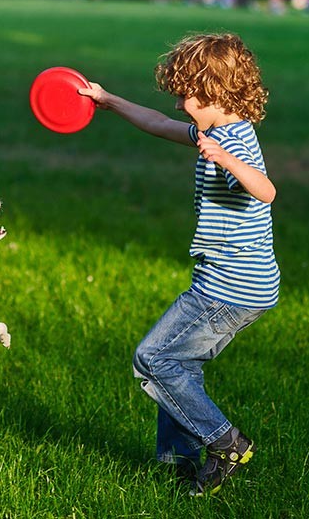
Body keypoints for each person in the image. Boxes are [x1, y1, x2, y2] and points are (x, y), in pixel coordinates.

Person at [78, 32, 280, 497]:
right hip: (235, 283)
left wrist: (228, 160)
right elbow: (155, 123)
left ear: (219, 95)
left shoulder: (235, 144)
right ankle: (178, 463)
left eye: (190, 96)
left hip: (230, 289)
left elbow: (267, 191)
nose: (181, 105)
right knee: (180, 365)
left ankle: (225, 442)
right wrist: (108, 100)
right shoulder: (214, 129)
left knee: (153, 358)